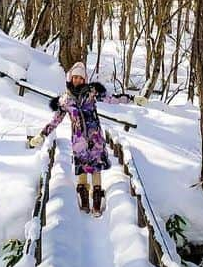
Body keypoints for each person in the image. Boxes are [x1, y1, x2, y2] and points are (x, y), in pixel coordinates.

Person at [27, 61, 143, 215]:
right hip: (78, 141)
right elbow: (56, 120)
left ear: (85, 80)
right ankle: (83, 201)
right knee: (82, 169)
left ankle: (96, 202)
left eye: (81, 78)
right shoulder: (65, 100)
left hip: (95, 139)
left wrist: (132, 99)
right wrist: (42, 135)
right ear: (70, 78)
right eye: (75, 77)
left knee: (96, 168)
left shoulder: (91, 92)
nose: (78, 80)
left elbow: (112, 99)